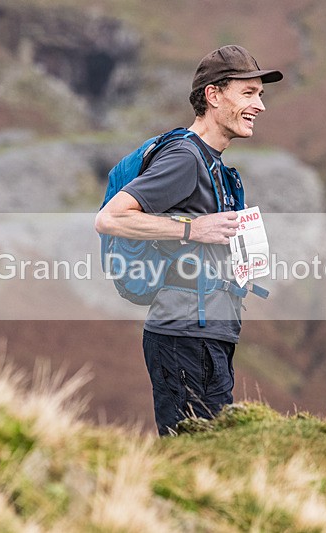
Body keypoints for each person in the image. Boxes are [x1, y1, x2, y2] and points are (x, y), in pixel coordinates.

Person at [95, 44, 282, 435]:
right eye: (248, 93)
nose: (260, 106)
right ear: (213, 95)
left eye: (260, 95)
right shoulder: (184, 158)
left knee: (212, 457)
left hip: (206, 335)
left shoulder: (214, 164)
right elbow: (110, 219)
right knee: (196, 455)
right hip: (183, 337)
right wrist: (191, 229)